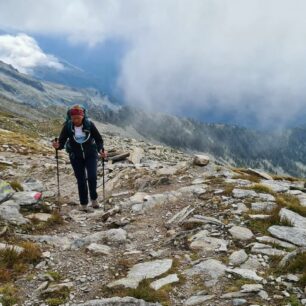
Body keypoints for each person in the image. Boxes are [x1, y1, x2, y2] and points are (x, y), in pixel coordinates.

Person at [52, 105, 107, 212]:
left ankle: (94, 199)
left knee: (92, 177)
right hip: (75, 156)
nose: (76, 120)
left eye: (78, 118)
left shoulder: (89, 125)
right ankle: (84, 204)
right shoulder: (68, 126)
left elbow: (99, 139)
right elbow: (62, 143)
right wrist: (57, 146)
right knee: (81, 180)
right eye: (73, 118)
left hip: (91, 154)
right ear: (71, 118)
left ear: (83, 116)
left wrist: (101, 150)